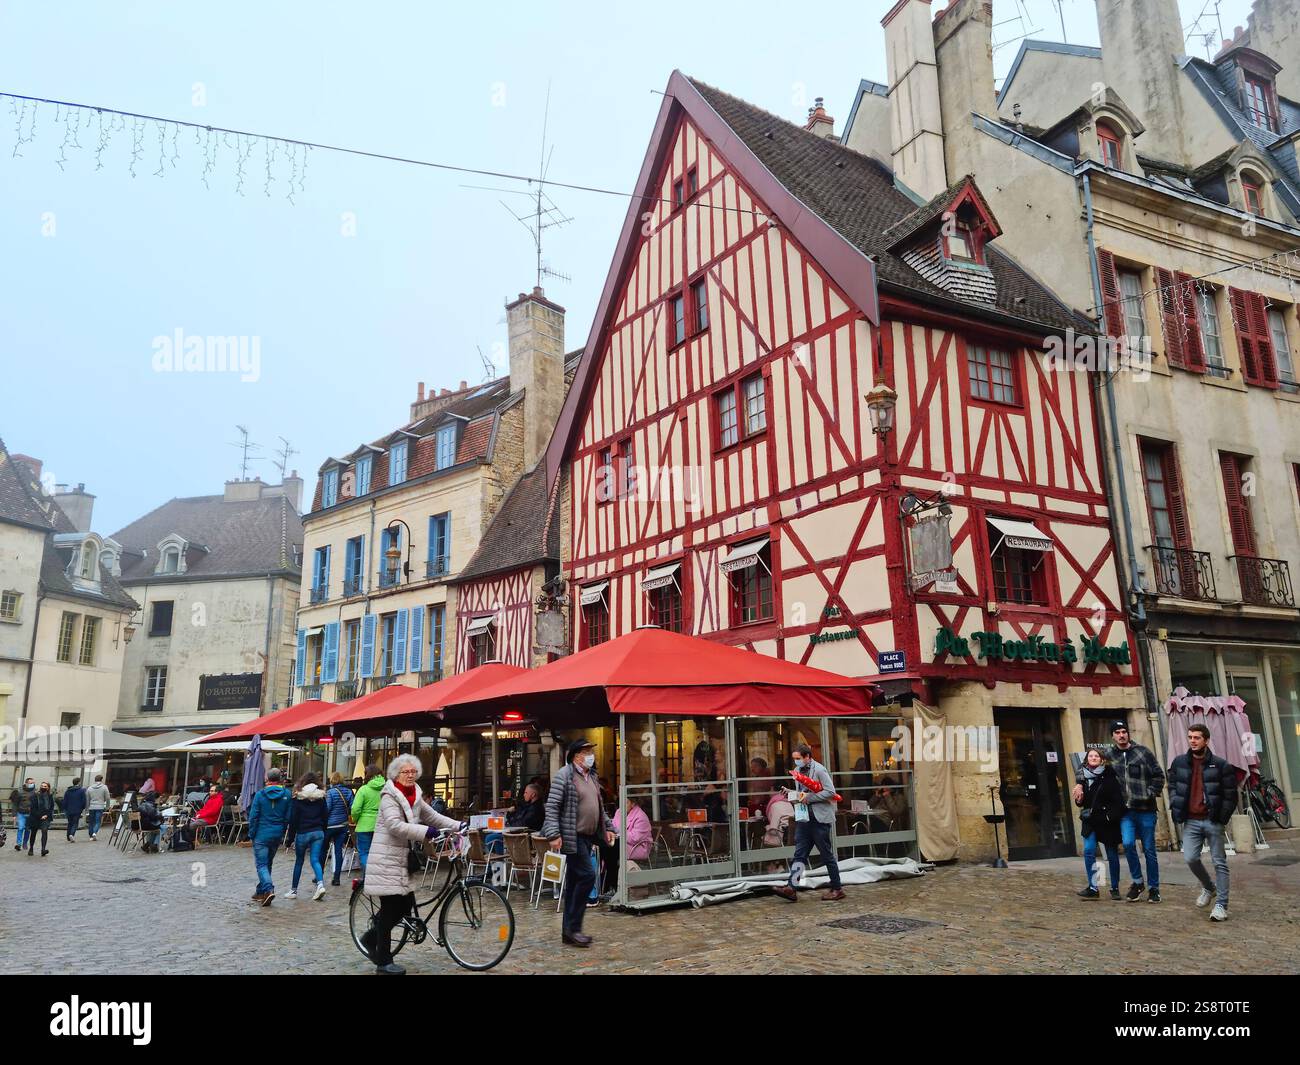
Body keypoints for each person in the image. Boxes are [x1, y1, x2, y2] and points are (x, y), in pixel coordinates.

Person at [360, 754, 462, 975]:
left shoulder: (414, 794)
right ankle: (383, 963)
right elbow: (395, 826)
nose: (410, 775)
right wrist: (426, 832)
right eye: (405, 772)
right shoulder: (389, 795)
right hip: (386, 859)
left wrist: (459, 825)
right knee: (390, 910)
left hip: (403, 860)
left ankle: (369, 938)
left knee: (404, 909)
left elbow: (433, 816)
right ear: (396, 774)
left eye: (413, 772)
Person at [1073, 720, 1165, 902]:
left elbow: (1159, 775)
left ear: (1128, 734)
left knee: (1149, 850)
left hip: (1145, 808)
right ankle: (1138, 882)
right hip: (1125, 811)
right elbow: (1086, 766)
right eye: (1117, 732)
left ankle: (1154, 888)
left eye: (1124, 731)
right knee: (1129, 844)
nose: (1121, 735)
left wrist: (1150, 793)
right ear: (1113, 736)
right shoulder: (1108, 755)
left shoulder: (1142, 752)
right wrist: (1079, 783)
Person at [543, 739, 614, 948]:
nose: (591, 754)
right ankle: (574, 928)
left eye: (591, 750)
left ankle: (569, 932)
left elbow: (599, 808)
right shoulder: (564, 776)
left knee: (575, 882)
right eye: (587, 751)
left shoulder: (591, 776)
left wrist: (610, 828)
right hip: (572, 837)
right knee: (587, 875)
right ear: (576, 755)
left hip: (588, 836)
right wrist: (553, 833)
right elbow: (552, 807)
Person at [1168, 724, 1238, 922]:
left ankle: (1221, 905)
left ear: (1206, 740)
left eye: (1197, 737)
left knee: (1219, 862)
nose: (1192, 740)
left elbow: (1231, 795)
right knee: (1190, 858)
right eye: (1190, 737)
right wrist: (1175, 802)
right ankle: (1208, 887)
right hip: (1191, 820)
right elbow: (1172, 785)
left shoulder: (1221, 764)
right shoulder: (1180, 762)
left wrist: (1220, 817)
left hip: (1212, 820)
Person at [772, 744, 845, 902]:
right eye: (794, 759)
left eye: (798, 758)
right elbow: (803, 794)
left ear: (807, 757)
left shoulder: (819, 770)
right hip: (804, 819)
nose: (796, 761)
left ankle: (837, 888)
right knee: (800, 854)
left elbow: (830, 792)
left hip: (819, 819)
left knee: (826, 855)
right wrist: (791, 793)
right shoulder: (797, 771)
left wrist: (808, 798)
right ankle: (792, 887)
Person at [1075, 748, 1125, 900]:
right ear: (1086, 759)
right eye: (1090, 756)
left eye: (1096, 756)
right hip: (1090, 820)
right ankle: (1093, 886)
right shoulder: (1082, 777)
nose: (1093, 758)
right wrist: (1079, 799)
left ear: (1102, 759)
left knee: (1111, 853)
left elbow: (1118, 800)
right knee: (1089, 851)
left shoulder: (1109, 776)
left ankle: (1115, 887)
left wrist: (1110, 816)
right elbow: (1081, 802)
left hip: (1106, 820)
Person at [247, 767, 294, 905]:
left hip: (261, 833)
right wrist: (282, 830)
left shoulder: (260, 795)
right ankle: (261, 892)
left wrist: (251, 833)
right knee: (268, 863)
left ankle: (268, 889)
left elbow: (253, 817)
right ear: (280, 779)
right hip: (277, 832)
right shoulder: (287, 794)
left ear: (267, 779)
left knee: (261, 864)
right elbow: (288, 817)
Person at [286, 774, 329, 901]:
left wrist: (290, 838)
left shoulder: (297, 798)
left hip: (303, 832)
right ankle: (320, 884)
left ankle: (293, 890)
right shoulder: (321, 798)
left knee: (299, 861)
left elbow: (293, 819)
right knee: (315, 860)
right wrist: (324, 830)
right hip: (318, 832)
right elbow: (325, 815)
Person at [602, 796, 652, 895]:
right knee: (605, 848)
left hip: (638, 847)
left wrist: (619, 834)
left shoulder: (641, 816)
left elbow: (635, 838)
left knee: (611, 851)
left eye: (626, 802)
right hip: (622, 843)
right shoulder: (619, 812)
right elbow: (613, 827)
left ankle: (611, 885)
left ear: (633, 804)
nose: (622, 805)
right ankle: (609, 884)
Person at [350, 764, 385, 870]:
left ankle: (369, 875)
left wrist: (355, 819)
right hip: (381, 825)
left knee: (364, 853)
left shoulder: (363, 789)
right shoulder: (386, 789)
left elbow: (355, 809)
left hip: (364, 826)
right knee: (378, 854)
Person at [323, 772, 355, 887]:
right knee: (338, 851)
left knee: (323, 850)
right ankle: (336, 878)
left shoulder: (330, 792)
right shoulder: (348, 792)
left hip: (330, 826)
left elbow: (327, 809)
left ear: (332, 780)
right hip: (343, 825)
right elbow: (352, 807)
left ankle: (319, 875)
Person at [27, 781, 55, 856]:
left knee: (44, 831)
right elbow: (32, 808)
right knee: (33, 833)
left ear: (48, 788)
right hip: (35, 816)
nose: (43, 787)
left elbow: (51, 807)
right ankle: (31, 848)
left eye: (45, 786)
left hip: (46, 817)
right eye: (42, 786)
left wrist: (46, 815)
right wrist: (40, 816)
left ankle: (43, 849)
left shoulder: (50, 796)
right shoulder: (35, 796)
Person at [9, 778, 35, 850]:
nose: (32, 784)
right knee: (20, 828)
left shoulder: (35, 792)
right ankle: (18, 844)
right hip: (21, 813)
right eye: (30, 783)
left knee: (27, 829)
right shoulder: (20, 792)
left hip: (30, 814)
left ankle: (25, 843)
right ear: (26, 783)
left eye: (33, 783)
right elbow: (15, 804)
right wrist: (14, 814)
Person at [86, 775, 111, 841]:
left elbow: (87, 799)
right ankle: (94, 833)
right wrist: (107, 806)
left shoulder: (90, 788)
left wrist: (87, 808)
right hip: (100, 806)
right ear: (101, 780)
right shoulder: (104, 787)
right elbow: (108, 797)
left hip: (91, 807)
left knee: (91, 822)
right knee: (97, 821)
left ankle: (91, 836)